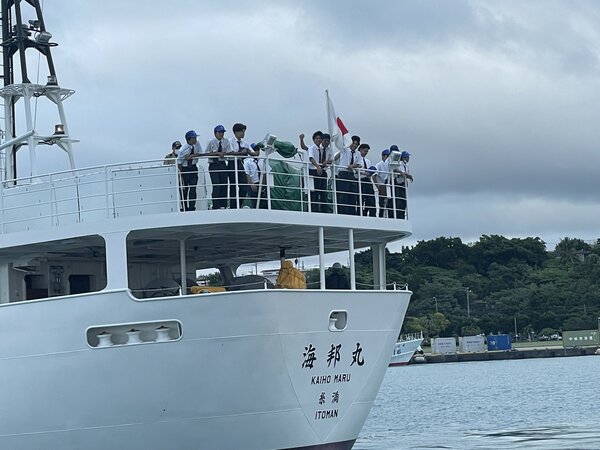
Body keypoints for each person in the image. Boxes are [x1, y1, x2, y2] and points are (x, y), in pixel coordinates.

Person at [203, 125, 230, 209]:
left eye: (223, 132)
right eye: (220, 132)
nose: (222, 134)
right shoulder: (211, 142)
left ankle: (223, 205)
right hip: (214, 164)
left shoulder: (226, 141)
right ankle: (216, 205)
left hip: (222, 164)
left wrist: (224, 153)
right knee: (216, 185)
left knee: (224, 185)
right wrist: (216, 153)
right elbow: (206, 153)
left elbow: (229, 151)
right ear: (215, 133)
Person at [228, 123, 254, 208]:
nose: (243, 133)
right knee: (233, 186)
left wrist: (248, 151)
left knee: (244, 187)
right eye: (242, 131)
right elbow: (230, 152)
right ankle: (233, 206)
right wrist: (241, 152)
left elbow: (254, 153)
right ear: (236, 132)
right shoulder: (230, 141)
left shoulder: (245, 143)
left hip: (240, 163)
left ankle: (238, 204)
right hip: (232, 164)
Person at [335, 140, 363, 215]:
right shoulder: (345, 150)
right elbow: (340, 144)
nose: (354, 145)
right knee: (343, 193)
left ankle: (351, 211)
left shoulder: (358, 153)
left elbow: (360, 164)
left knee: (352, 192)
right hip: (343, 172)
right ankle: (342, 211)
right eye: (353, 143)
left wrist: (352, 166)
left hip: (351, 173)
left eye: (356, 144)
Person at [307, 132, 332, 213]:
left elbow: (331, 160)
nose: (318, 140)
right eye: (317, 138)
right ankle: (314, 210)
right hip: (314, 170)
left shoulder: (325, 149)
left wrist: (326, 162)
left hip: (323, 171)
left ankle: (324, 210)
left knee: (323, 191)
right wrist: (318, 166)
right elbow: (311, 158)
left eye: (320, 138)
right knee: (314, 191)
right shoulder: (312, 148)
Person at [177, 131, 201, 211]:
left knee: (193, 188)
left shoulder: (197, 144)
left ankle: (192, 207)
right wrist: (180, 176)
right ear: (189, 139)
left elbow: (201, 153)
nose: (195, 139)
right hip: (185, 169)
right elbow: (179, 163)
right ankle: (184, 207)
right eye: (194, 138)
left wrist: (192, 156)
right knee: (185, 189)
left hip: (193, 167)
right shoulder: (182, 150)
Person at [393, 150, 413, 219]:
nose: (408, 158)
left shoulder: (406, 165)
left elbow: (405, 174)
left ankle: (402, 215)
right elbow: (402, 173)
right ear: (404, 157)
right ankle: (398, 215)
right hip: (399, 184)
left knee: (403, 201)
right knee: (399, 201)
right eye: (407, 157)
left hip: (403, 185)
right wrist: (409, 176)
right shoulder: (400, 164)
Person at [357, 144, 376, 217]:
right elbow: (356, 170)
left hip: (367, 180)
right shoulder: (356, 159)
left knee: (371, 198)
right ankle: (360, 213)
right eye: (365, 151)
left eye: (367, 151)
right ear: (360, 150)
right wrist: (365, 173)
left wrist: (369, 173)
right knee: (361, 198)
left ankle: (371, 213)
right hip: (360, 180)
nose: (366, 153)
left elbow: (369, 172)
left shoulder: (367, 161)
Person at [375, 149, 392, 218]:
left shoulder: (390, 165)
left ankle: (388, 216)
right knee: (382, 202)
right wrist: (377, 186)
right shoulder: (379, 165)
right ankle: (381, 216)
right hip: (382, 185)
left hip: (388, 185)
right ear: (383, 156)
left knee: (389, 202)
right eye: (387, 156)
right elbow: (375, 175)